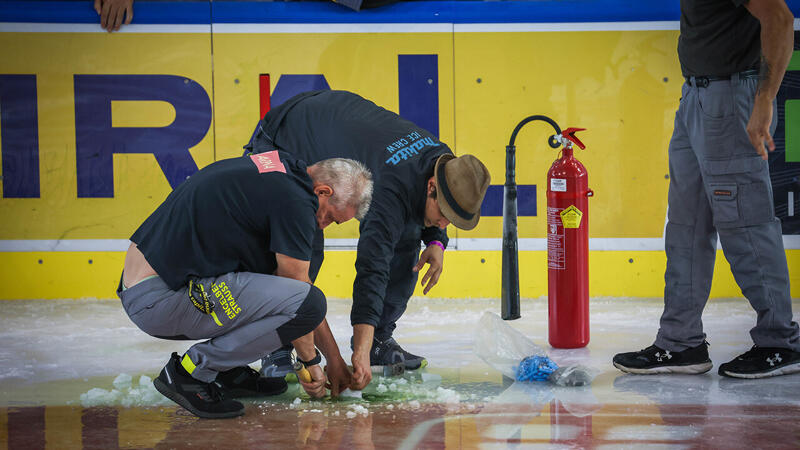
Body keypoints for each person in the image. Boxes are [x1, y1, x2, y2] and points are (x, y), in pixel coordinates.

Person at [245, 90, 491, 389]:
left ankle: (379, 341)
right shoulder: (387, 191)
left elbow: (436, 207)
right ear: (430, 186)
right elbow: (372, 268)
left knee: (408, 236)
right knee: (299, 247)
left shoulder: (444, 161)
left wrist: (437, 241)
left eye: (451, 221)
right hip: (285, 137)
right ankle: (275, 344)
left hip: (335, 123)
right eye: (445, 216)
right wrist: (357, 352)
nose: (444, 223)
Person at [613, 0, 799, 378]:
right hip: (696, 98)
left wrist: (763, 99)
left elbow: (779, 18)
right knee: (686, 225)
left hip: (732, 99)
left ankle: (780, 341)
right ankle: (681, 343)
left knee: (746, 223)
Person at [119, 152, 373, 418]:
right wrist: (314, 362)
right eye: (331, 217)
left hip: (147, 285)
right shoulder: (296, 201)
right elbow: (299, 295)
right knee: (308, 304)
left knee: (270, 280)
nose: (324, 226)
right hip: (159, 300)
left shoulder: (281, 170)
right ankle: (190, 372)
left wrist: (332, 358)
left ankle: (226, 371)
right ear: (322, 191)